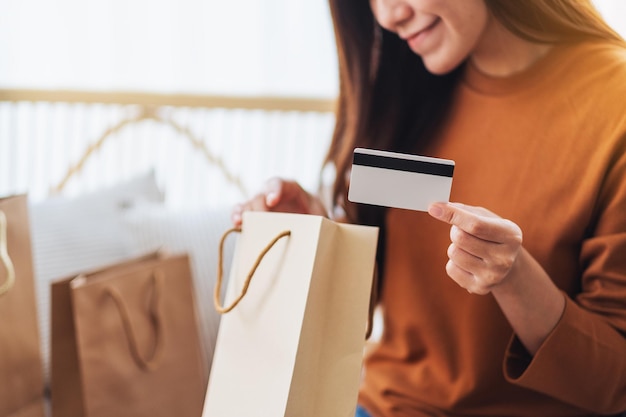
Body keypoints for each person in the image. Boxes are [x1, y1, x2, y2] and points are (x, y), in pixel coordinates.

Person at [231, 0, 626, 415]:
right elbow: (374, 304)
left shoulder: (611, 102)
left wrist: (514, 278)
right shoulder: (408, 81)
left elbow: (615, 384)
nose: (387, 16)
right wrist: (324, 236)